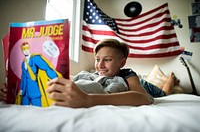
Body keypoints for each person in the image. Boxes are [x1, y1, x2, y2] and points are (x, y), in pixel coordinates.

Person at [0, 39, 179, 108]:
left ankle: (170, 81)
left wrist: (89, 99)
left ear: (121, 62)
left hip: (146, 87)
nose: (100, 64)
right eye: (97, 59)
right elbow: (69, 81)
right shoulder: (92, 74)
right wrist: (15, 93)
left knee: (164, 92)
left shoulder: (127, 73)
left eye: (107, 60)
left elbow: (143, 98)